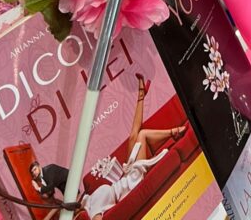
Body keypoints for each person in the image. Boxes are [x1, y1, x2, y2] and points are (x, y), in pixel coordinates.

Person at [31, 76, 185, 220]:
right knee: (142, 134)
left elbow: (63, 204)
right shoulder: (93, 210)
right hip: (132, 181)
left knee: (133, 136)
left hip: (125, 177)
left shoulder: (88, 198)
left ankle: (141, 95)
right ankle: (174, 132)